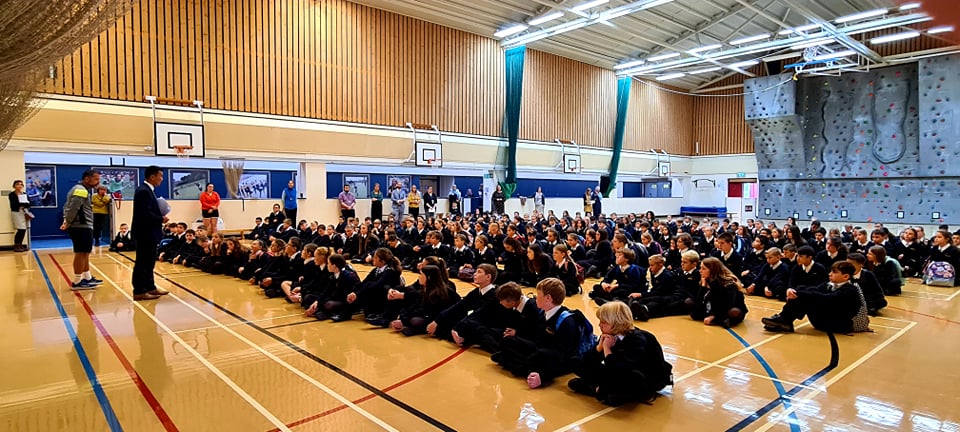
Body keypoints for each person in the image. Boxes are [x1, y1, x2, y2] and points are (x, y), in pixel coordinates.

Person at [568, 302, 672, 406]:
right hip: (617, 373)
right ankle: (601, 388)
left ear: (616, 323)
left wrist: (607, 349)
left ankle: (597, 388)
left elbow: (622, 369)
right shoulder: (609, 335)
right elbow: (588, 361)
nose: (600, 325)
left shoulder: (637, 339)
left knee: (619, 392)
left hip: (640, 377)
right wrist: (599, 348)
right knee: (575, 361)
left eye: (603, 322)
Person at [492, 278, 583, 389]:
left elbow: (563, 355)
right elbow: (535, 338)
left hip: (553, 357)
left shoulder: (566, 321)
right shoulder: (542, 314)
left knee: (520, 359)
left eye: (538, 294)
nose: (535, 297)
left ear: (548, 298)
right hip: (538, 349)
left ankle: (528, 370)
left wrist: (544, 374)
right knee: (508, 341)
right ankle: (524, 366)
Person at [762, 261, 869, 334]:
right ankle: (784, 320)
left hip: (839, 324)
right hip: (826, 320)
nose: (830, 274)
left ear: (846, 276)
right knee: (805, 294)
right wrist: (794, 291)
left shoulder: (850, 290)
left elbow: (828, 299)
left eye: (834, 272)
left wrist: (800, 294)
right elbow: (813, 289)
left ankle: (784, 320)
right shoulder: (829, 284)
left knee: (809, 297)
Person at [131, 166, 170, 300]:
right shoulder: (143, 191)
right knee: (142, 262)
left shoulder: (149, 191)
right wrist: (161, 219)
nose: (162, 179)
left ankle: (150, 287)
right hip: (144, 233)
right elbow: (144, 214)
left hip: (150, 233)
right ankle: (139, 290)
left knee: (149, 262)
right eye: (160, 176)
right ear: (152, 177)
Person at [61, 170, 102, 289]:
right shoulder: (80, 191)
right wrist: (67, 221)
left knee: (85, 252)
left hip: (84, 226)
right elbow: (73, 208)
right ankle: (77, 281)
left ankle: (87, 277)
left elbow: (66, 206)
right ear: (87, 179)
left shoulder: (82, 190)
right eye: (96, 179)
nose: (97, 182)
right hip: (80, 226)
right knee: (80, 253)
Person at [692, 257, 748, 328]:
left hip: (726, 309)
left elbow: (727, 304)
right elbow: (699, 300)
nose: (700, 271)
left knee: (733, 312)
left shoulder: (728, 284)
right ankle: (719, 320)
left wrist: (713, 316)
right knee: (693, 309)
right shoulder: (706, 280)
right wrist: (703, 287)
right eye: (700, 268)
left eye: (703, 269)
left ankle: (721, 319)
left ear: (712, 270)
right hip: (712, 307)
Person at [8, 180, 31, 252]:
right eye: (18, 184)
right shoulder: (12, 194)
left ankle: (20, 244)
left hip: (24, 212)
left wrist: (23, 204)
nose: (20, 186)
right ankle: (16, 245)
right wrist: (22, 203)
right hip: (16, 212)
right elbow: (14, 204)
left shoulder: (24, 194)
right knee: (20, 229)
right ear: (14, 186)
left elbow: (29, 204)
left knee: (24, 229)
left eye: (21, 184)